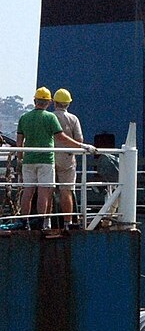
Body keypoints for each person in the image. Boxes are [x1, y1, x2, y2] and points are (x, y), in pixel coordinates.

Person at [16, 87, 97, 230]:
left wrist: (20, 158)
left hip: (29, 159)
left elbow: (19, 142)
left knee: (29, 190)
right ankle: (65, 223)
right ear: (48, 102)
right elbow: (63, 137)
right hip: (51, 159)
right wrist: (82, 146)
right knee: (55, 190)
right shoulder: (55, 118)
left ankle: (28, 222)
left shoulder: (24, 117)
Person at [51, 88, 85, 227]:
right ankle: (68, 222)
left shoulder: (50, 117)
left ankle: (46, 221)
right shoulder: (73, 119)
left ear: (54, 102)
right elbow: (79, 139)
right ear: (68, 104)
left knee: (47, 190)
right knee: (66, 190)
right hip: (67, 157)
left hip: (49, 156)